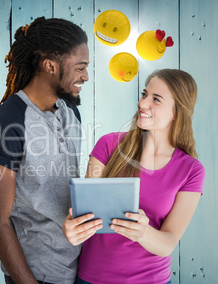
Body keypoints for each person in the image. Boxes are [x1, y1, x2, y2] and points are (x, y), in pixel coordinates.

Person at [63, 69, 205, 284]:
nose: (142, 103)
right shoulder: (109, 144)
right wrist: (74, 229)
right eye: (144, 94)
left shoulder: (191, 170)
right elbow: (85, 209)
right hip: (93, 277)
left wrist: (143, 232)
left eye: (156, 99)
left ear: (177, 113)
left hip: (151, 279)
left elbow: (168, 243)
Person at [0, 17, 95, 284]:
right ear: (50, 66)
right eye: (80, 68)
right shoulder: (9, 122)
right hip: (36, 276)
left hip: (77, 270)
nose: (86, 76)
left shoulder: (70, 111)